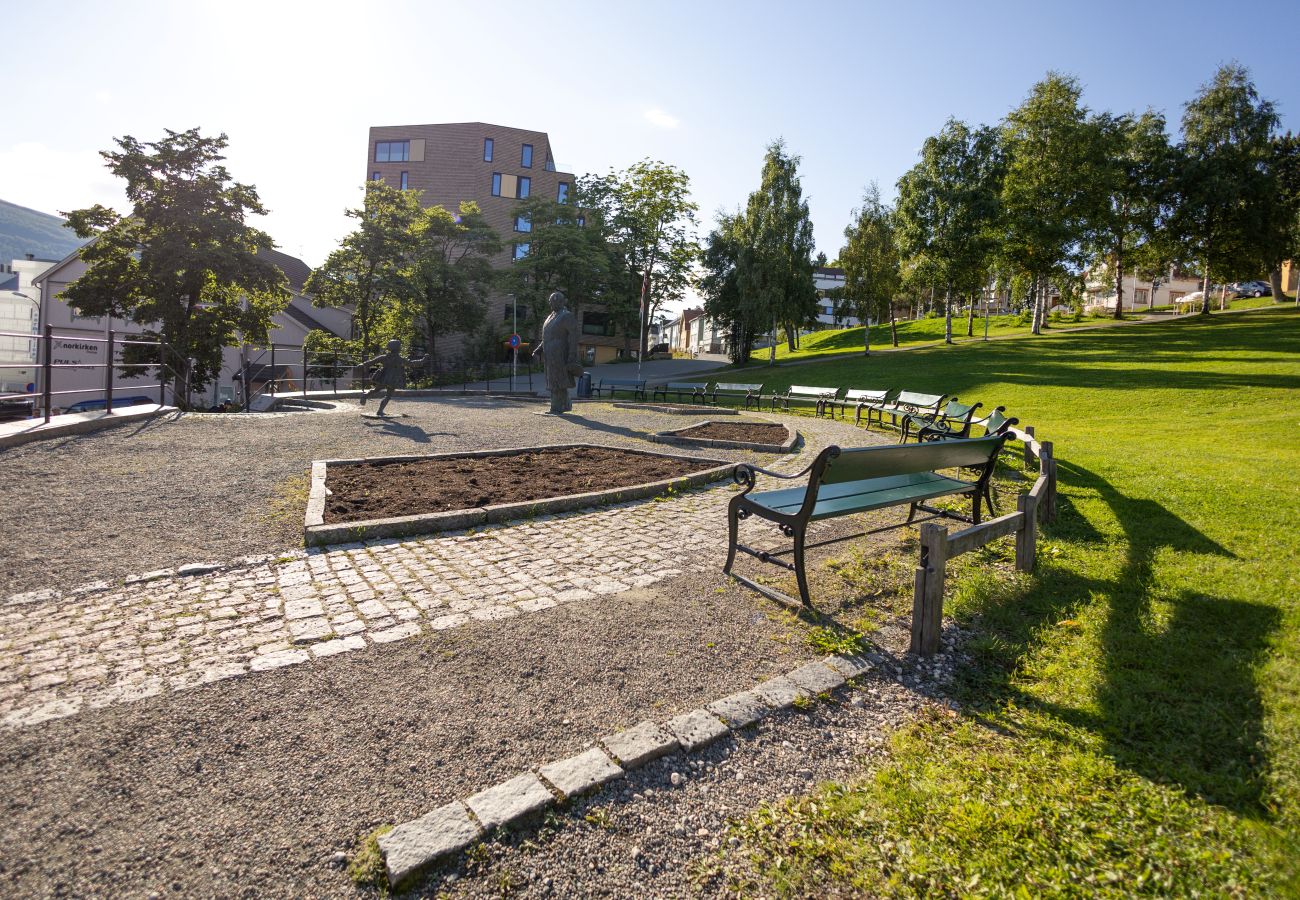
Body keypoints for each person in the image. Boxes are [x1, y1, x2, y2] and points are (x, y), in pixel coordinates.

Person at [532, 291, 581, 414]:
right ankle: (565, 405)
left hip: (560, 354)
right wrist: (539, 350)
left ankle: (556, 407)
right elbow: (547, 337)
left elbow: (574, 336)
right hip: (550, 355)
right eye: (550, 302)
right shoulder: (551, 316)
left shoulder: (566, 315)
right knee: (555, 381)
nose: (550, 304)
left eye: (552, 301)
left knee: (558, 382)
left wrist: (572, 356)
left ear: (560, 301)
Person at [359, 339, 426, 416]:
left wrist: (363, 364)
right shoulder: (399, 359)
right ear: (397, 348)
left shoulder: (385, 357)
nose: (400, 348)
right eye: (399, 346)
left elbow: (372, 362)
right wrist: (422, 360)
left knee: (376, 390)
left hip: (384, 378)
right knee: (388, 395)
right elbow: (411, 363)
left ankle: (366, 397)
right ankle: (379, 410)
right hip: (392, 379)